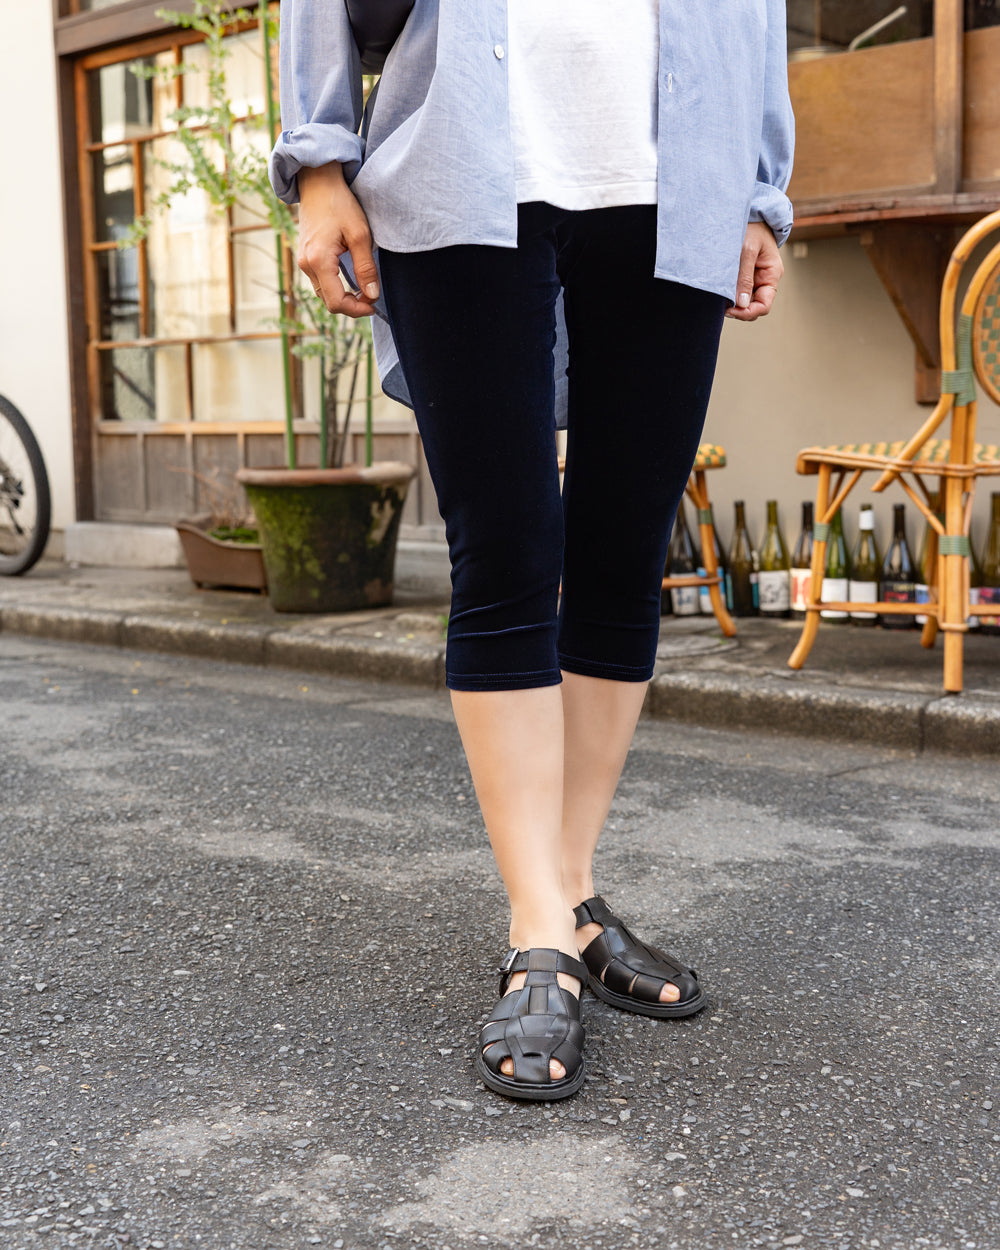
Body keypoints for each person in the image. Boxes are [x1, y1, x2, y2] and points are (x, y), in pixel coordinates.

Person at [270, 0, 794, 1101]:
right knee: (505, 553)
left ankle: (571, 889)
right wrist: (319, 162)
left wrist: (758, 191)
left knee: (624, 550)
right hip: (460, 165)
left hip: (679, 179)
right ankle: (538, 928)